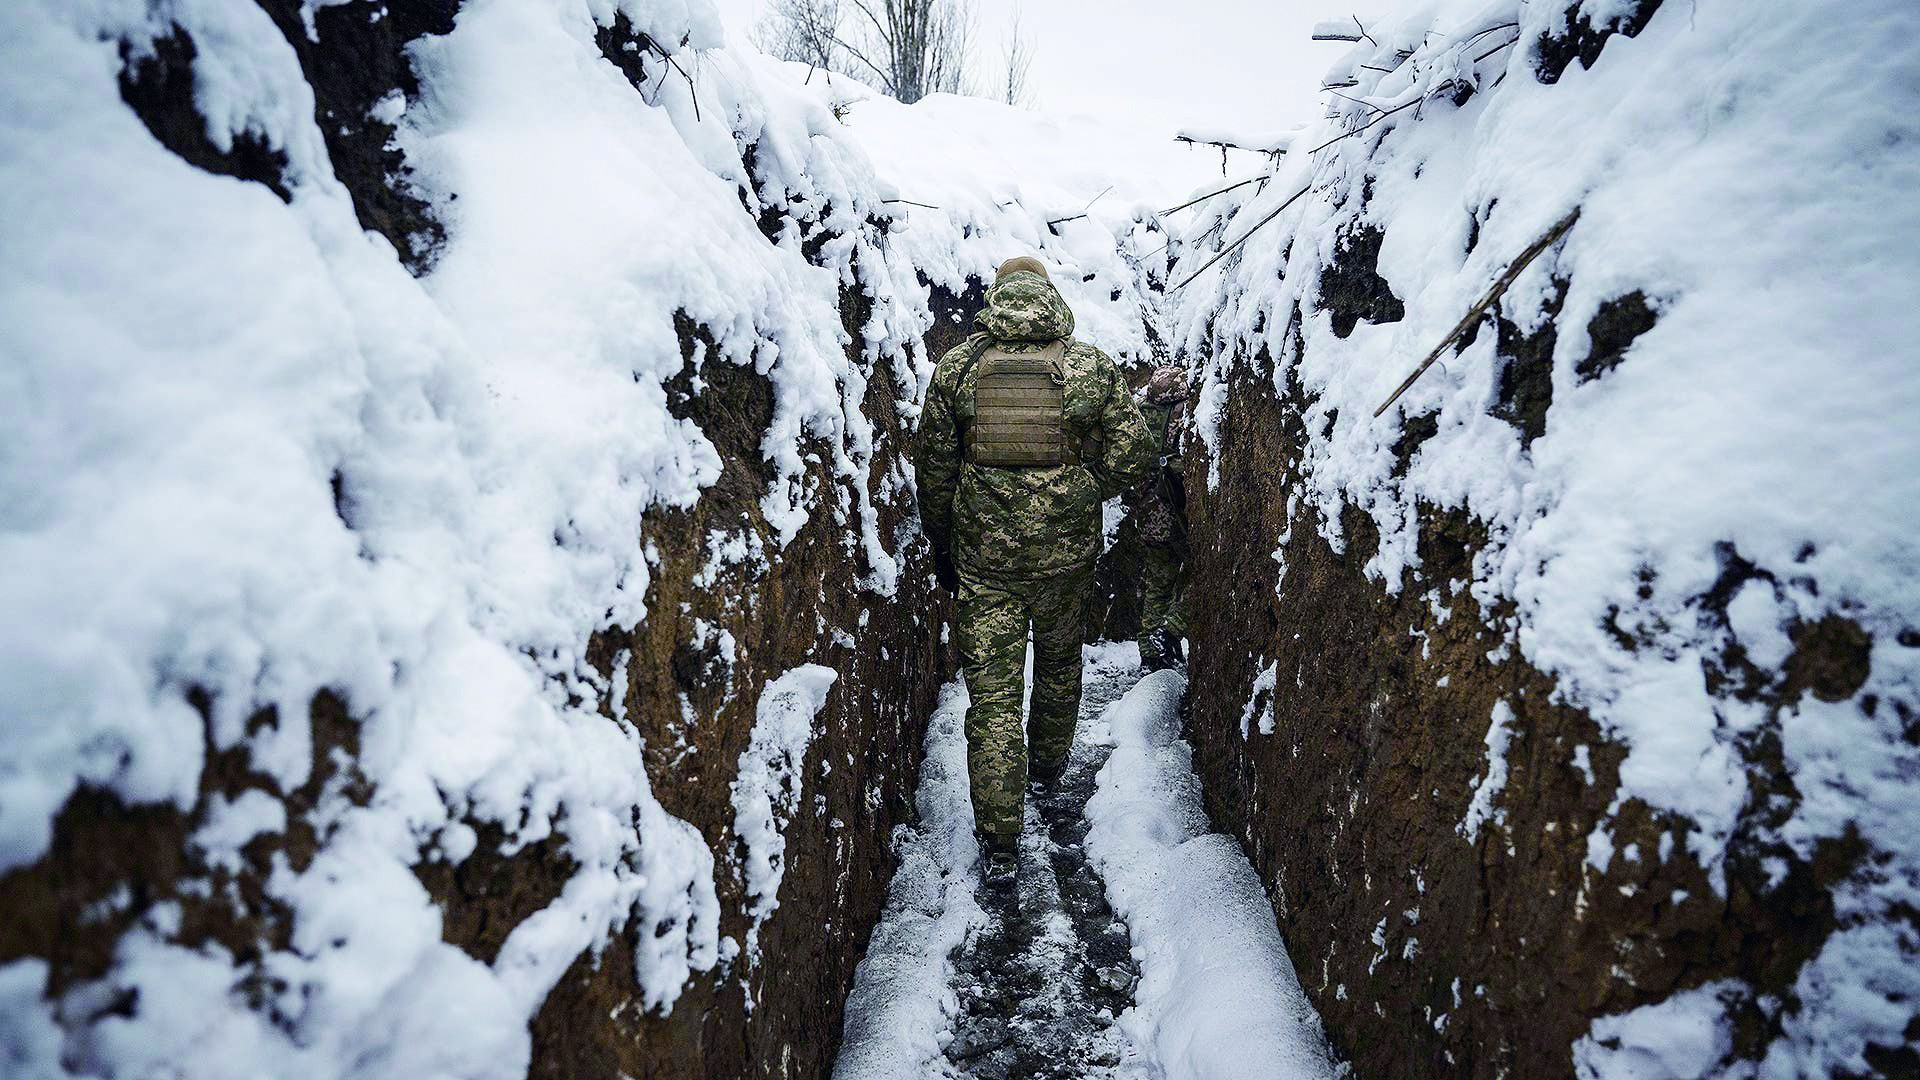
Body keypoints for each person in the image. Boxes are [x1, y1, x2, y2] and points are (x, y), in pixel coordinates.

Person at [916, 256, 1152, 894]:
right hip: (1065, 562)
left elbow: (933, 471)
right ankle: (1048, 775)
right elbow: (1136, 455)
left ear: (998, 299)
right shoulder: (1087, 365)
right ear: (1048, 300)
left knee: (992, 700)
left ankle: (998, 840)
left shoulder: (959, 368)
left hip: (986, 565)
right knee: (1057, 665)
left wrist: (945, 545)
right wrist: (1083, 488)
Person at [1133, 366, 1191, 673]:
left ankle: (1149, 653)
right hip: (1175, 513)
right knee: (1202, 574)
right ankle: (1170, 631)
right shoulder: (1183, 414)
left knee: (1157, 582)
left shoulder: (1139, 410)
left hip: (1147, 510)